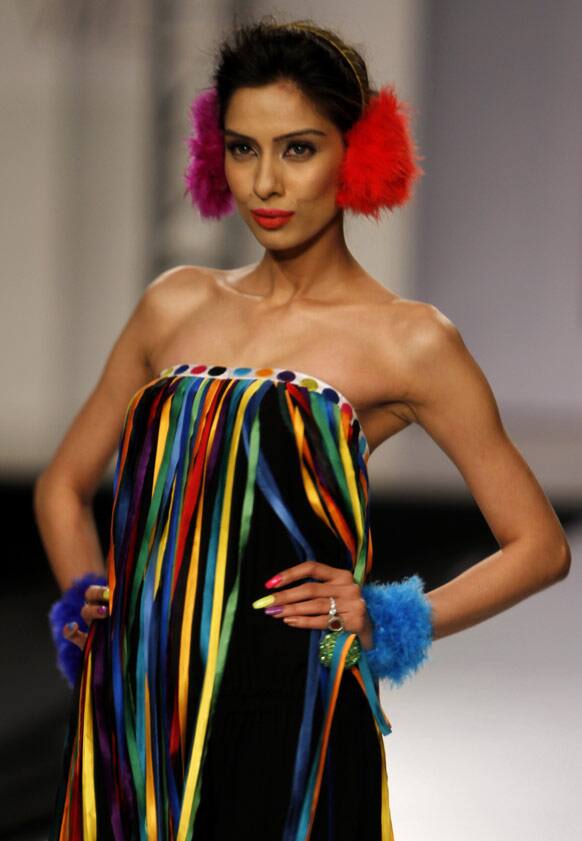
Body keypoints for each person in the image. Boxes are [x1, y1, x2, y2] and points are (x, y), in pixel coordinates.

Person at [34, 16, 571, 841]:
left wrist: (384, 617)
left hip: (295, 715)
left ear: (358, 153)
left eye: (298, 148)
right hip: (140, 715)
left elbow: (539, 544)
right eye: (243, 149)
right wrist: (90, 613)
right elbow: (63, 485)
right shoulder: (173, 303)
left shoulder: (410, 340)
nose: (265, 184)